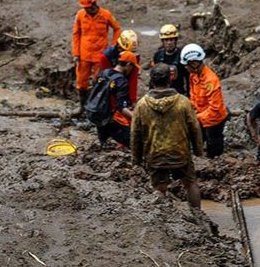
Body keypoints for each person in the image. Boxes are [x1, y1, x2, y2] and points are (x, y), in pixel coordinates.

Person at [131, 64, 204, 209]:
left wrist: (137, 159)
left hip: (155, 154)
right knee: (190, 183)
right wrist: (198, 150)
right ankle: (198, 215)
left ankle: (163, 220)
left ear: (151, 80)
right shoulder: (183, 102)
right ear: (169, 79)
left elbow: (135, 134)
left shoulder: (142, 105)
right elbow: (195, 128)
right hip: (180, 152)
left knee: (159, 187)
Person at [71, 0, 121, 114]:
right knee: (81, 82)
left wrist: (113, 48)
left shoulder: (106, 15)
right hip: (84, 55)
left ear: (94, 3)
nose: (86, 9)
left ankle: (95, 107)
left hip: (100, 55)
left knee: (98, 81)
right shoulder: (80, 15)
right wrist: (76, 53)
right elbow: (76, 34)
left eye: (87, 7)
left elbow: (117, 28)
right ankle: (82, 107)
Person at [182, 43, 228, 158]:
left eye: (186, 65)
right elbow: (193, 95)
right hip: (201, 117)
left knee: (214, 151)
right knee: (197, 142)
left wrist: (195, 118)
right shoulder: (193, 75)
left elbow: (215, 109)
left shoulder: (211, 81)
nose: (185, 68)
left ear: (194, 63)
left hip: (214, 120)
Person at [92, 50, 139, 147]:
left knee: (104, 143)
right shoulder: (122, 81)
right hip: (111, 118)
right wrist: (136, 117)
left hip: (97, 113)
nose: (132, 70)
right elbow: (122, 107)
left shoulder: (104, 72)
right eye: (132, 67)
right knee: (134, 142)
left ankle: (103, 142)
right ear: (128, 65)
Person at [99, 29, 140, 103]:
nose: (131, 55)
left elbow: (133, 79)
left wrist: (133, 100)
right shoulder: (106, 57)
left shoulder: (133, 57)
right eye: (129, 52)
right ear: (119, 48)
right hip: (110, 85)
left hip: (124, 84)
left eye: (132, 53)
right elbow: (106, 79)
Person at [150, 24, 188, 95]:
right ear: (162, 41)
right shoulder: (158, 55)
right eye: (166, 40)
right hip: (161, 93)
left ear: (175, 40)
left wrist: (189, 95)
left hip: (178, 93)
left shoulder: (182, 55)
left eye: (171, 39)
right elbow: (153, 77)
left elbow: (188, 78)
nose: (169, 43)